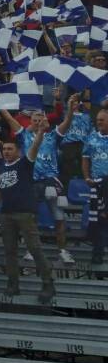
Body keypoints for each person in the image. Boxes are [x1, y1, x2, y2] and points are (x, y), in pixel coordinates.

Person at [0, 97, 78, 265]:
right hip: (31, 182)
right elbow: (8, 119)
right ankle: (30, 249)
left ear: (45, 121)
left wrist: (70, 109)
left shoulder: (53, 136)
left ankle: (63, 251)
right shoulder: (23, 137)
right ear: (31, 121)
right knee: (30, 218)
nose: (36, 123)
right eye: (34, 120)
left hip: (50, 180)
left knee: (58, 215)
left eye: (39, 120)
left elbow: (68, 122)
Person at [0, 122, 56, 302]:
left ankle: (48, 283)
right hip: (6, 213)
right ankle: (13, 283)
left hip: (24, 212)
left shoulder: (25, 163)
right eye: (5, 149)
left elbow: (34, 147)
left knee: (34, 248)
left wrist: (39, 132)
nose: (6, 151)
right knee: (9, 250)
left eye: (10, 149)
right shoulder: (1, 168)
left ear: (17, 151)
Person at [82, 108, 108, 265]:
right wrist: (86, 177)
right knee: (98, 221)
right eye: (98, 119)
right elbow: (85, 159)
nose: (99, 122)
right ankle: (97, 253)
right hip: (97, 185)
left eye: (102, 120)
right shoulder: (91, 138)